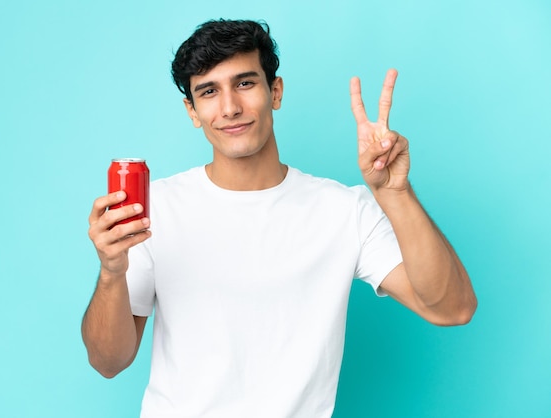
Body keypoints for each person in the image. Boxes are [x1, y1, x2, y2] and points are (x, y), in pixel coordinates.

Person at [81, 19, 477, 417]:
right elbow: (108, 361)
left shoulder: (344, 211)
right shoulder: (157, 209)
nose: (230, 107)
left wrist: (396, 193)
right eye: (208, 91)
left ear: (276, 91)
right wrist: (112, 272)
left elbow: (452, 309)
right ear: (193, 111)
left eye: (245, 83)